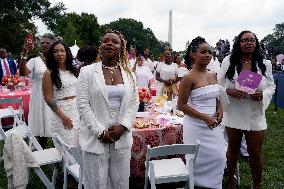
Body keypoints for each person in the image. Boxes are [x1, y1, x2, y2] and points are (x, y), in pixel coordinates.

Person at [76, 31, 138, 189]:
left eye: (114, 42)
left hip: (121, 136)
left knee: (121, 182)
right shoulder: (87, 72)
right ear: (100, 47)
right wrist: (100, 131)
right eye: (105, 41)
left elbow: (134, 102)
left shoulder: (129, 75)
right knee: (96, 182)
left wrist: (123, 126)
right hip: (95, 135)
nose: (109, 43)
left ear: (120, 48)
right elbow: (83, 104)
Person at [217, 30, 276, 189]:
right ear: (238, 43)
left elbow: (271, 86)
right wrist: (229, 91)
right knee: (232, 149)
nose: (249, 43)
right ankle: (230, 182)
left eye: (252, 40)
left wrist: (263, 94)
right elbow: (219, 84)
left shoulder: (265, 63)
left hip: (255, 113)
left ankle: (256, 185)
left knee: (255, 152)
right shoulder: (228, 61)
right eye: (245, 40)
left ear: (256, 43)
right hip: (234, 112)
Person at [178, 36, 226, 188]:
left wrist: (219, 108)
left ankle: (215, 184)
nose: (207, 55)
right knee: (197, 160)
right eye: (203, 52)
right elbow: (181, 106)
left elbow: (216, 96)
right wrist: (204, 117)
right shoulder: (188, 78)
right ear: (193, 54)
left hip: (213, 125)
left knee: (219, 157)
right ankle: (195, 184)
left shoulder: (213, 74)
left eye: (210, 52)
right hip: (196, 126)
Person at [19, 33, 56, 148]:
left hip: (55, 95)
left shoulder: (57, 58)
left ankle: (61, 151)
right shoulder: (35, 61)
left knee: (56, 124)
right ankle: (42, 150)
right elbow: (23, 73)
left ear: (53, 44)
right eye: (42, 43)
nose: (45, 44)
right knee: (41, 124)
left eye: (47, 42)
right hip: (39, 97)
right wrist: (24, 54)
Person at [42, 41, 79, 147]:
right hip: (62, 113)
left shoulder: (73, 70)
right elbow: (48, 99)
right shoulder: (48, 73)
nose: (59, 54)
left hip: (77, 111)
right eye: (56, 51)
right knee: (68, 147)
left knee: (80, 145)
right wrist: (63, 117)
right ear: (52, 54)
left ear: (67, 53)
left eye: (62, 51)